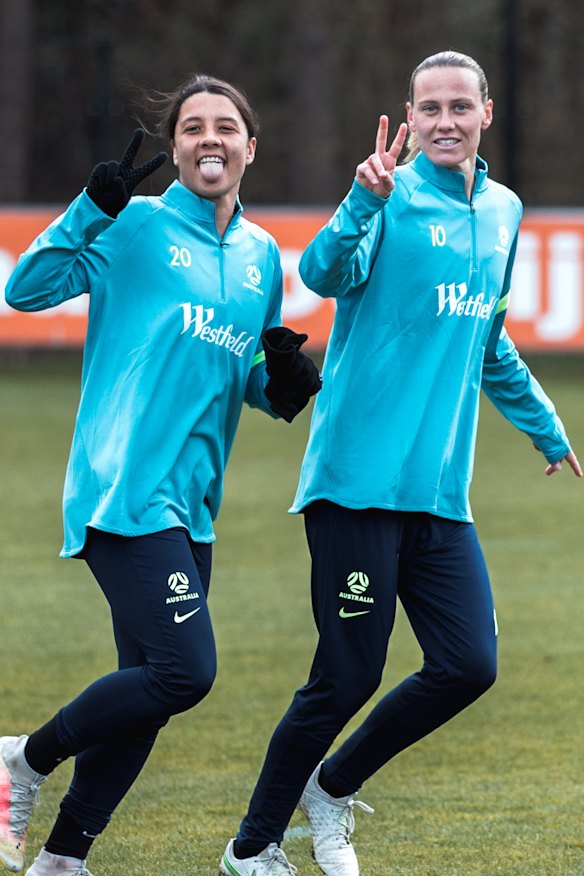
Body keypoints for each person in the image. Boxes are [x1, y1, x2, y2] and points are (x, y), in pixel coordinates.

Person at [219, 50, 582, 876]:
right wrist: (359, 202)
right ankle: (252, 849)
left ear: (487, 112)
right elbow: (318, 273)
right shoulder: (385, 193)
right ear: (409, 118)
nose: (445, 120)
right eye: (430, 108)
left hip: (441, 493)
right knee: (345, 679)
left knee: (468, 666)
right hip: (353, 485)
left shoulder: (504, 211)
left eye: (461, 106)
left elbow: (486, 340)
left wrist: (545, 425)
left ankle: (333, 787)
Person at [0, 74, 320, 876]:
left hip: (192, 506)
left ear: (252, 145)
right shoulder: (133, 225)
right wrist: (88, 208)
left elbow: (236, 371)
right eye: (193, 128)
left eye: (226, 127)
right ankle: (22, 762)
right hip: (124, 491)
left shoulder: (259, 256)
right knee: (185, 672)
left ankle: (63, 860)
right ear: (174, 147)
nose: (210, 139)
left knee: (148, 690)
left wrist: (278, 385)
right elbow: (25, 289)